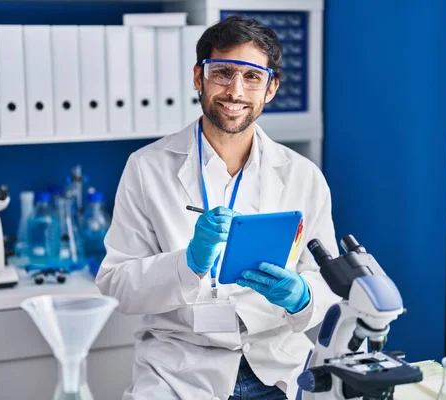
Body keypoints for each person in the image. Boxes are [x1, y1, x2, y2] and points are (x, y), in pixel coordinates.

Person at [96, 15, 340, 400]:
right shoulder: (146, 168)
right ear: (199, 78)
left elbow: (328, 283)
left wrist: (302, 296)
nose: (235, 91)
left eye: (252, 77)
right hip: (179, 373)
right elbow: (117, 284)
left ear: (270, 88)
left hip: (277, 367)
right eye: (222, 72)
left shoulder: (303, 176)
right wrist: (188, 262)